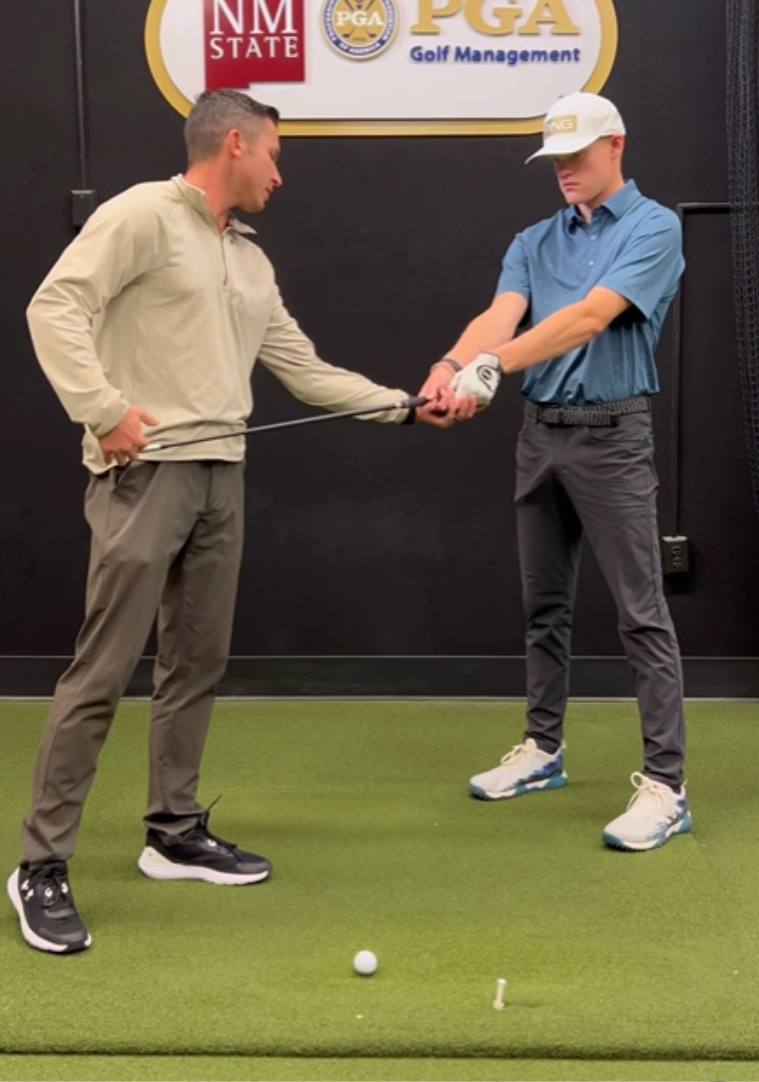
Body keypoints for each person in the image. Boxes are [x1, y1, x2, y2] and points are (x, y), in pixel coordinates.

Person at [10, 88, 450, 955]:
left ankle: (172, 830)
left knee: (196, 662)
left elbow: (303, 368)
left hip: (223, 477)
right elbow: (52, 308)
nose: (280, 175)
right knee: (102, 672)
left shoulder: (249, 261)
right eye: (274, 155)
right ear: (236, 144)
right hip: (144, 476)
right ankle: (41, 863)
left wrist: (402, 405)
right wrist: (103, 409)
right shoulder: (142, 213)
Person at [420, 91, 692, 852]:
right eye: (555, 159)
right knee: (543, 606)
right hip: (540, 436)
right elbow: (499, 315)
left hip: (613, 436)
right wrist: (451, 364)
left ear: (616, 145)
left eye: (577, 154)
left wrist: (490, 367)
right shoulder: (533, 239)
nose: (564, 169)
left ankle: (666, 786)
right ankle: (543, 749)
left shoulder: (654, 227)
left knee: (640, 612)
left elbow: (587, 318)